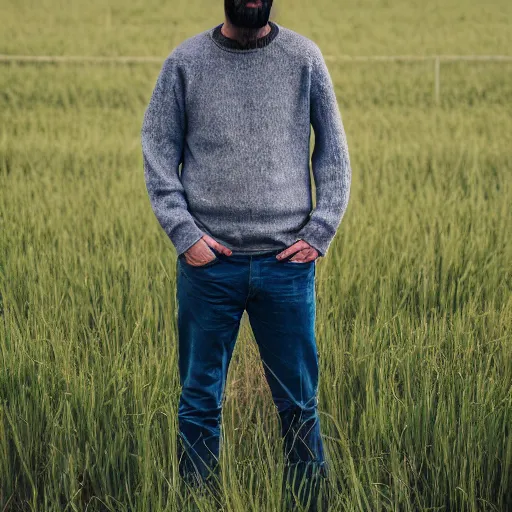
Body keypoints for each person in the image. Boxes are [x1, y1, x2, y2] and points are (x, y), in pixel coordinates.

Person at [141, 0, 351, 509]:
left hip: (287, 266)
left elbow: (335, 154)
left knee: (299, 404)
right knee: (198, 402)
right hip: (209, 266)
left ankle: (306, 504)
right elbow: (157, 150)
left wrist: (321, 229)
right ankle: (199, 502)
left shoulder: (303, 57)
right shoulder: (185, 63)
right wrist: (185, 235)